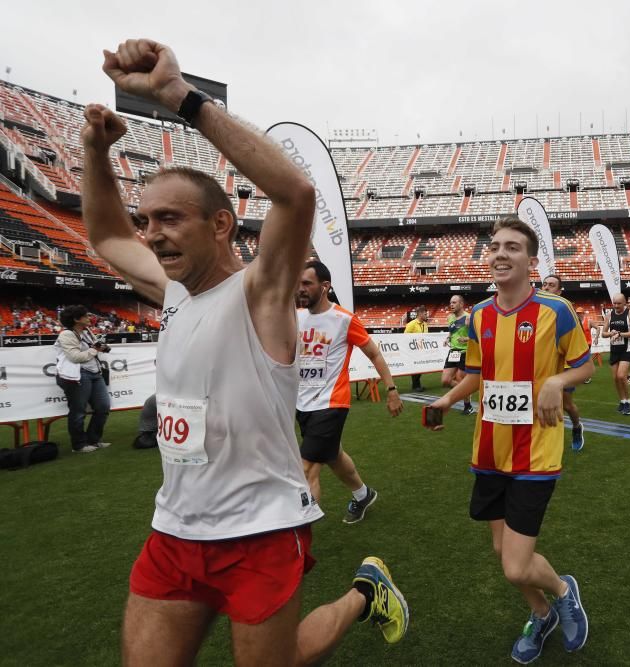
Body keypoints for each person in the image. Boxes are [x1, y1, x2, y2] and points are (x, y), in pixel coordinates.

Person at [81, 39, 406, 665]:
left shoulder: (261, 291)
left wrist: (179, 97)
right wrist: (97, 150)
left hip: (260, 531)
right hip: (175, 528)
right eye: (147, 221)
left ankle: (365, 594)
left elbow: (295, 194)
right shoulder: (171, 289)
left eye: (169, 219)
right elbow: (105, 234)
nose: (152, 234)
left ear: (222, 224)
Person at [428, 217, 592, 664]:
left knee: (516, 565)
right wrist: (446, 401)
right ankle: (541, 614)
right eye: (496, 246)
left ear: (531, 260)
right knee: (505, 555)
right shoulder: (477, 316)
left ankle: (562, 590)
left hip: (535, 455)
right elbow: (478, 374)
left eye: (513, 247)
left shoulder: (556, 311)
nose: (501, 253)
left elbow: (585, 365)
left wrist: (558, 381)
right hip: (488, 453)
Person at [297, 261, 404, 523]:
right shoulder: (297, 316)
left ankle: (300, 536)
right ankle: (363, 495)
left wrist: (391, 389)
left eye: (306, 284)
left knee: (306, 468)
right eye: (299, 284)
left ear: (325, 287)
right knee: (333, 455)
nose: (300, 289)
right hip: (302, 404)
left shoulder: (344, 319)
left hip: (332, 403)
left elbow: (374, 353)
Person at [54, 305, 112, 453]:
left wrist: (100, 347)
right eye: (86, 316)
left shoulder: (87, 332)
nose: (89, 318)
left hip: (94, 373)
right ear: (76, 319)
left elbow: (93, 349)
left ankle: (93, 440)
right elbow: (75, 357)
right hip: (78, 374)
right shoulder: (66, 334)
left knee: (103, 407)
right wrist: (95, 349)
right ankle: (79, 445)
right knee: (78, 411)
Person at [540, 275, 586, 451]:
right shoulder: (536, 312)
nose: (546, 288)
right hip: (542, 367)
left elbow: (577, 346)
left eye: (551, 285)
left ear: (559, 292)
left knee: (566, 405)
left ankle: (576, 427)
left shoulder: (567, 312)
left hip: (564, 367)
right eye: (544, 284)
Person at [601, 293, 630, 416]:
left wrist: (620, 334)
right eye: (614, 303)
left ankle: (628, 402)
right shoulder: (609, 315)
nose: (616, 306)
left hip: (627, 348)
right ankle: (622, 401)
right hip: (615, 349)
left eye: (619, 303)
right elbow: (603, 334)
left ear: (624, 303)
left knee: (622, 376)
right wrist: (612, 333)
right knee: (615, 378)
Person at [442, 295, 474, 415]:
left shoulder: (468, 317)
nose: (451, 305)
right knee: (445, 381)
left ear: (461, 304)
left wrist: (466, 339)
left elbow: (477, 337)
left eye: (454, 302)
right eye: (450, 303)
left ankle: (468, 406)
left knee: (461, 379)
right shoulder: (450, 317)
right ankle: (465, 391)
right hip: (453, 352)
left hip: (465, 352)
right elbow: (452, 332)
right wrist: (448, 338)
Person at [404, 306, 429, 392]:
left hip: (422, 350)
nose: (427, 315)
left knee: (421, 368)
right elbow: (405, 337)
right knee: (416, 368)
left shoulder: (425, 324)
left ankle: (417, 385)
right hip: (413, 351)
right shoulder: (411, 324)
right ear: (420, 314)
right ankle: (415, 386)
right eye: (425, 314)